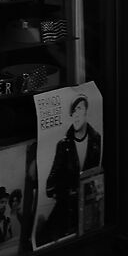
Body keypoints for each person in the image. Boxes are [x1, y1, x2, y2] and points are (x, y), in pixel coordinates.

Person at [39, 95, 102, 244]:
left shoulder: (96, 139)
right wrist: (58, 190)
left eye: (79, 109)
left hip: (88, 203)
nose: (76, 114)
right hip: (66, 204)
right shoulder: (64, 144)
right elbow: (52, 177)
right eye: (73, 111)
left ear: (86, 112)